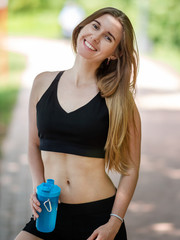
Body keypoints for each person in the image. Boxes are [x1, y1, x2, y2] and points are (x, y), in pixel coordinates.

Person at [15, 6, 141, 240]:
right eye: (95, 26)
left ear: (114, 53)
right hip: (49, 212)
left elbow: (131, 169)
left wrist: (114, 223)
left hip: (97, 220)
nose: (95, 37)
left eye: (108, 37)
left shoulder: (119, 100)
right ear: (83, 26)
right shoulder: (42, 82)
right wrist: (37, 186)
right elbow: (34, 144)